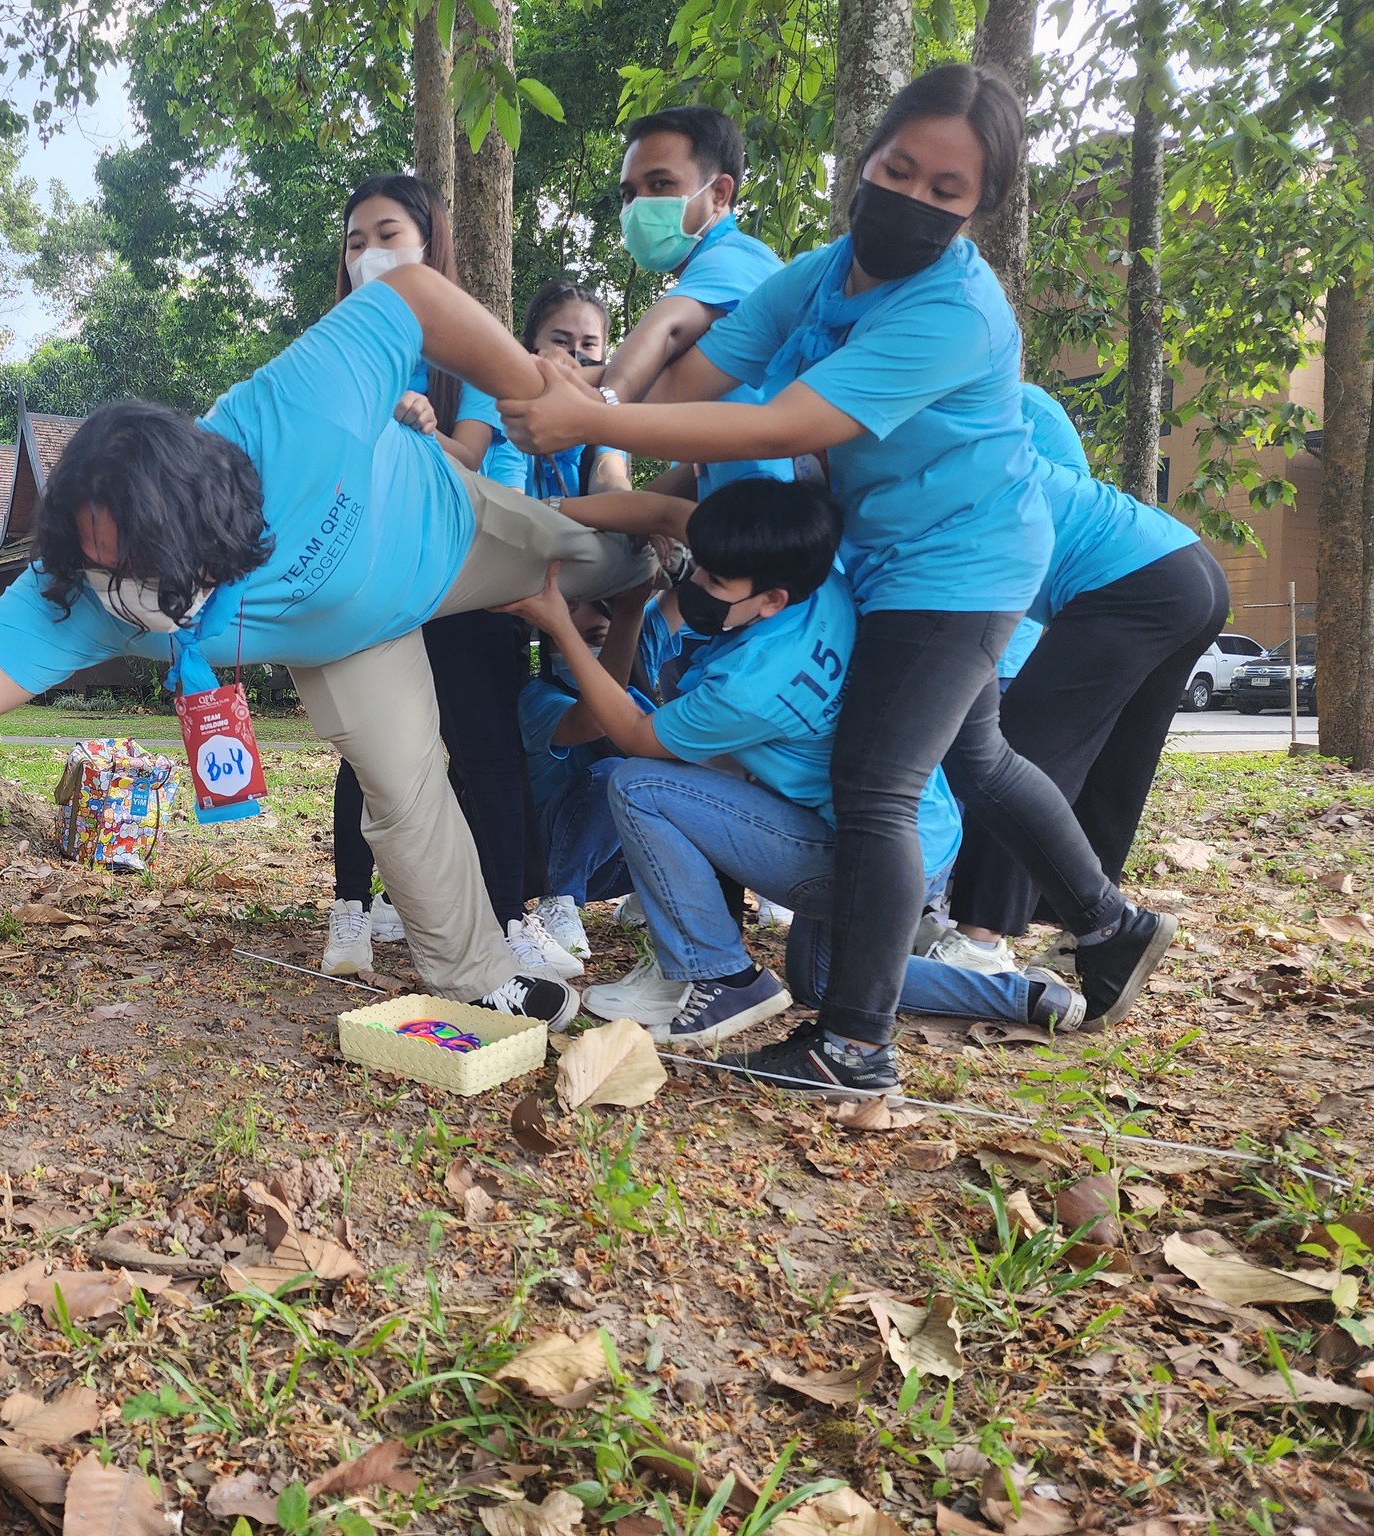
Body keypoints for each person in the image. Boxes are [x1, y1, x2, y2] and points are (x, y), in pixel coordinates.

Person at [0, 259, 653, 1032]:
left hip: (444, 531)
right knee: (403, 787)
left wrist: (524, 381)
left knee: (594, 557)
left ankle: (674, 545)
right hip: (351, 643)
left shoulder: (293, 410)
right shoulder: (85, 596)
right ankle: (476, 979)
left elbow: (410, 295)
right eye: (109, 575)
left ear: (215, 514)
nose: (135, 599)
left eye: (154, 571)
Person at [501, 62, 1174, 1095]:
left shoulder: (955, 311)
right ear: (866, 159)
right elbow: (708, 373)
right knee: (978, 757)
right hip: (887, 552)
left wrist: (592, 419)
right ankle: (1107, 921)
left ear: (979, 208)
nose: (909, 198)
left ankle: (853, 1046)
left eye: (945, 191)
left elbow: (784, 423)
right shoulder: (820, 272)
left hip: (957, 565)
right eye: (897, 168)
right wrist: (594, 392)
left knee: (876, 789)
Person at [499, 478, 1086, 1053]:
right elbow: (669, 512)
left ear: (771, 599)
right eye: (701, 568)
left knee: (639, 785)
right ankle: (1023, 998)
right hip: (920, 836)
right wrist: (550, 511)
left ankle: (722, 977)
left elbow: (630, 734)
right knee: (826, 982)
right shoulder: (821, 582)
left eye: (715, 580)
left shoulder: (749, 685)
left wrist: (557, 622)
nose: (697, 585)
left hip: (856, 854)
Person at [319, 175, 576, 986]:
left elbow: (469, 458)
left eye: (388, 236)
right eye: (355, 242)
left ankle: (505, 923)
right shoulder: (336, 351)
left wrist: (421, 431)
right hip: (375, 580)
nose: (369, 255)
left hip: (466, 577)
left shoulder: (470, 345)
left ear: (430, 244)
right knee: (369, 753)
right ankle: (351, 912)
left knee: (489, 753)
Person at [930, 383, 1228, 979]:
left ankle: (980, 942)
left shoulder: (917, 453)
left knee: (1011, 760)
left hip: (1127, 584)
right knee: (1113, 764)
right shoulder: (968, 427)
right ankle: (1085, 932)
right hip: (1183, 564)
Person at [597, 106, 793, 497]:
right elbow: (708, 459)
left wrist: (599, 408)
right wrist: (640, 516)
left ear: (719, 194)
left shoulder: (734, 259)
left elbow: (667, 328)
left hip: (775, 522)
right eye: (629, 194)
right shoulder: (719, 270)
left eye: (660, 184)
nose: (637, 207)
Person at [517, 590, 650, 961]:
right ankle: (558, 901)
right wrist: (628, 612)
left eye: (594, 640)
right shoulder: (537, 699)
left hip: (610, 868)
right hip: (542, 857)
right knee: (613, 776)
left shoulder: (635, 696)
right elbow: (593, 721)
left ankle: (652, 895)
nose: (578, 653)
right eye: (564, 641)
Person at [482, 280, 634, 501]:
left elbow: (609, 477)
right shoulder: (504, 405)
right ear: (532, 344)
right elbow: (510, 500)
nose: (573, 355)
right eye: (561, 341)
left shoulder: (607, 405)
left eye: (588, 344)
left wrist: (629, 506)